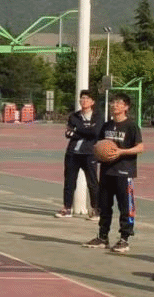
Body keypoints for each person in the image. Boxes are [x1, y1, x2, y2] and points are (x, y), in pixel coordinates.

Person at [83, 92, 144, 254]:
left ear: (126, 107)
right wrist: (99, 151)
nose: (114, 105)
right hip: (107, 171)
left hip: (124, 171)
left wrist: (121, 152)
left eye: (118, 103)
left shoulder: (131, 126)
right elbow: (100, 145)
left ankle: (124, 238)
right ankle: (103, 237)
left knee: (125, 207)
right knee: (104, 205)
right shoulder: (107, 126)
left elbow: (140, 147)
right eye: (113, 102)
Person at [58, 89, 102, 218]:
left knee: (92, 182)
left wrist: (77, 131)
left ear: (92, 102)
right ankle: (67, 208)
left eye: (87, 98)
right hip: (73, 153)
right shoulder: (74, 116)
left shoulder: (98, 116)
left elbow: (95, 133)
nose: (84, 101)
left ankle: (96, 209)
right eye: (82, 98)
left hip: (89, 153)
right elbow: (68, 133)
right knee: (69, 182)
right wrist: (85, 131)